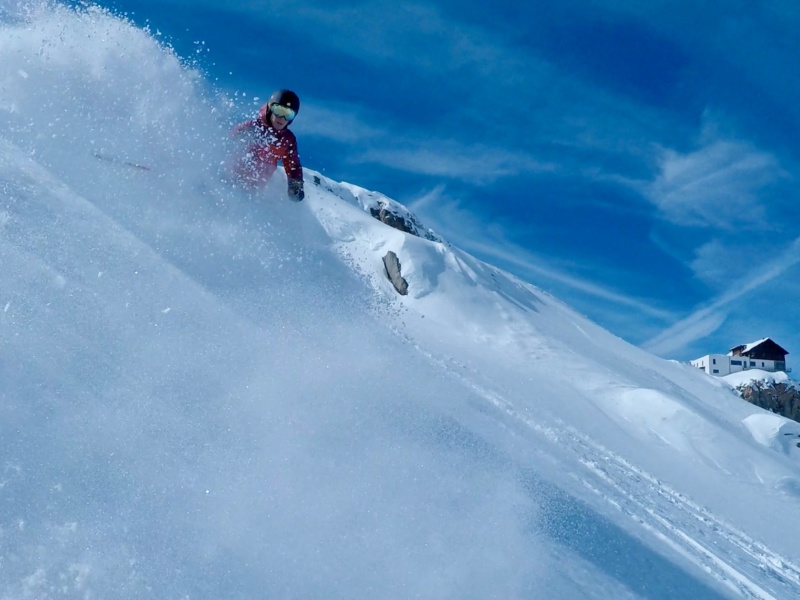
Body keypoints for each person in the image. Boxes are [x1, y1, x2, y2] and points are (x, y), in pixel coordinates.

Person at [230, 89, 305, 201]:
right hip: (230, 180)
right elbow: (225, 145)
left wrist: (295, 187)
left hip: (253, 191)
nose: (282, 118)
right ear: (270, 108)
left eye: (288, 114)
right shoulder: (251, 127)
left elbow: (293, 165)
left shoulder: (287, 140)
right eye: (278, 110)